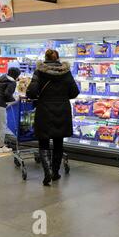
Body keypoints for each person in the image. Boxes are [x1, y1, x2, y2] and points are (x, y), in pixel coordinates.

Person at [27, 50, 80, 186]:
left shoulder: (39, 72)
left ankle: (47, 173)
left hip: (44, 109)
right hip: (62, 108)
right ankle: (55, 172)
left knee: (43, 142)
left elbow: (32, 92)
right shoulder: (66, 72)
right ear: (58, 58)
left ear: (45, 58)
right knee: (58, 141)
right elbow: (75, 92)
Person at [0, 67, 21, 153]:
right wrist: (15, 100)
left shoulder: (3, 78)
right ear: (16, 75)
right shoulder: (12, 83)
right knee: (2, 126)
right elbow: (7, 94)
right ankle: (1, 147)